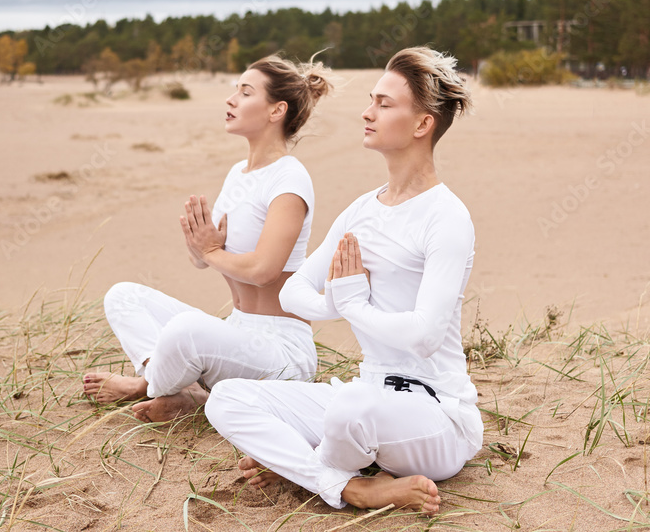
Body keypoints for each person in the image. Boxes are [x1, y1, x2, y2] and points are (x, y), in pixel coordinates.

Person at [205, 46, 481, 516]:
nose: (366, 112)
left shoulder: (446, 217)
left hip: (436, 414)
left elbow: (424, 335)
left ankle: (310, 467)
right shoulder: (362, 209)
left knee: (351, 408)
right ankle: (347, 484)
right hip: (365, 393)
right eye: (371, 100)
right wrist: (338, 299)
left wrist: (353, 305)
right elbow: (294, 290)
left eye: (384, 104)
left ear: (421, 125)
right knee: (227, 399)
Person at [82, 55, 334, 422]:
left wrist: (210, 250)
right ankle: (189, 391)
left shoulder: (290, 180)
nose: (230, 100)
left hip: (281, 351)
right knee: (123, 296)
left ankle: (147, 385)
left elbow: (263, 270)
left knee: (186, 332)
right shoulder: (238, 173)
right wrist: (200, 247)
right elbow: (202, 258)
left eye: (245, 92)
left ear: (276, 110)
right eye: (234, 90)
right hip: (237, 330)